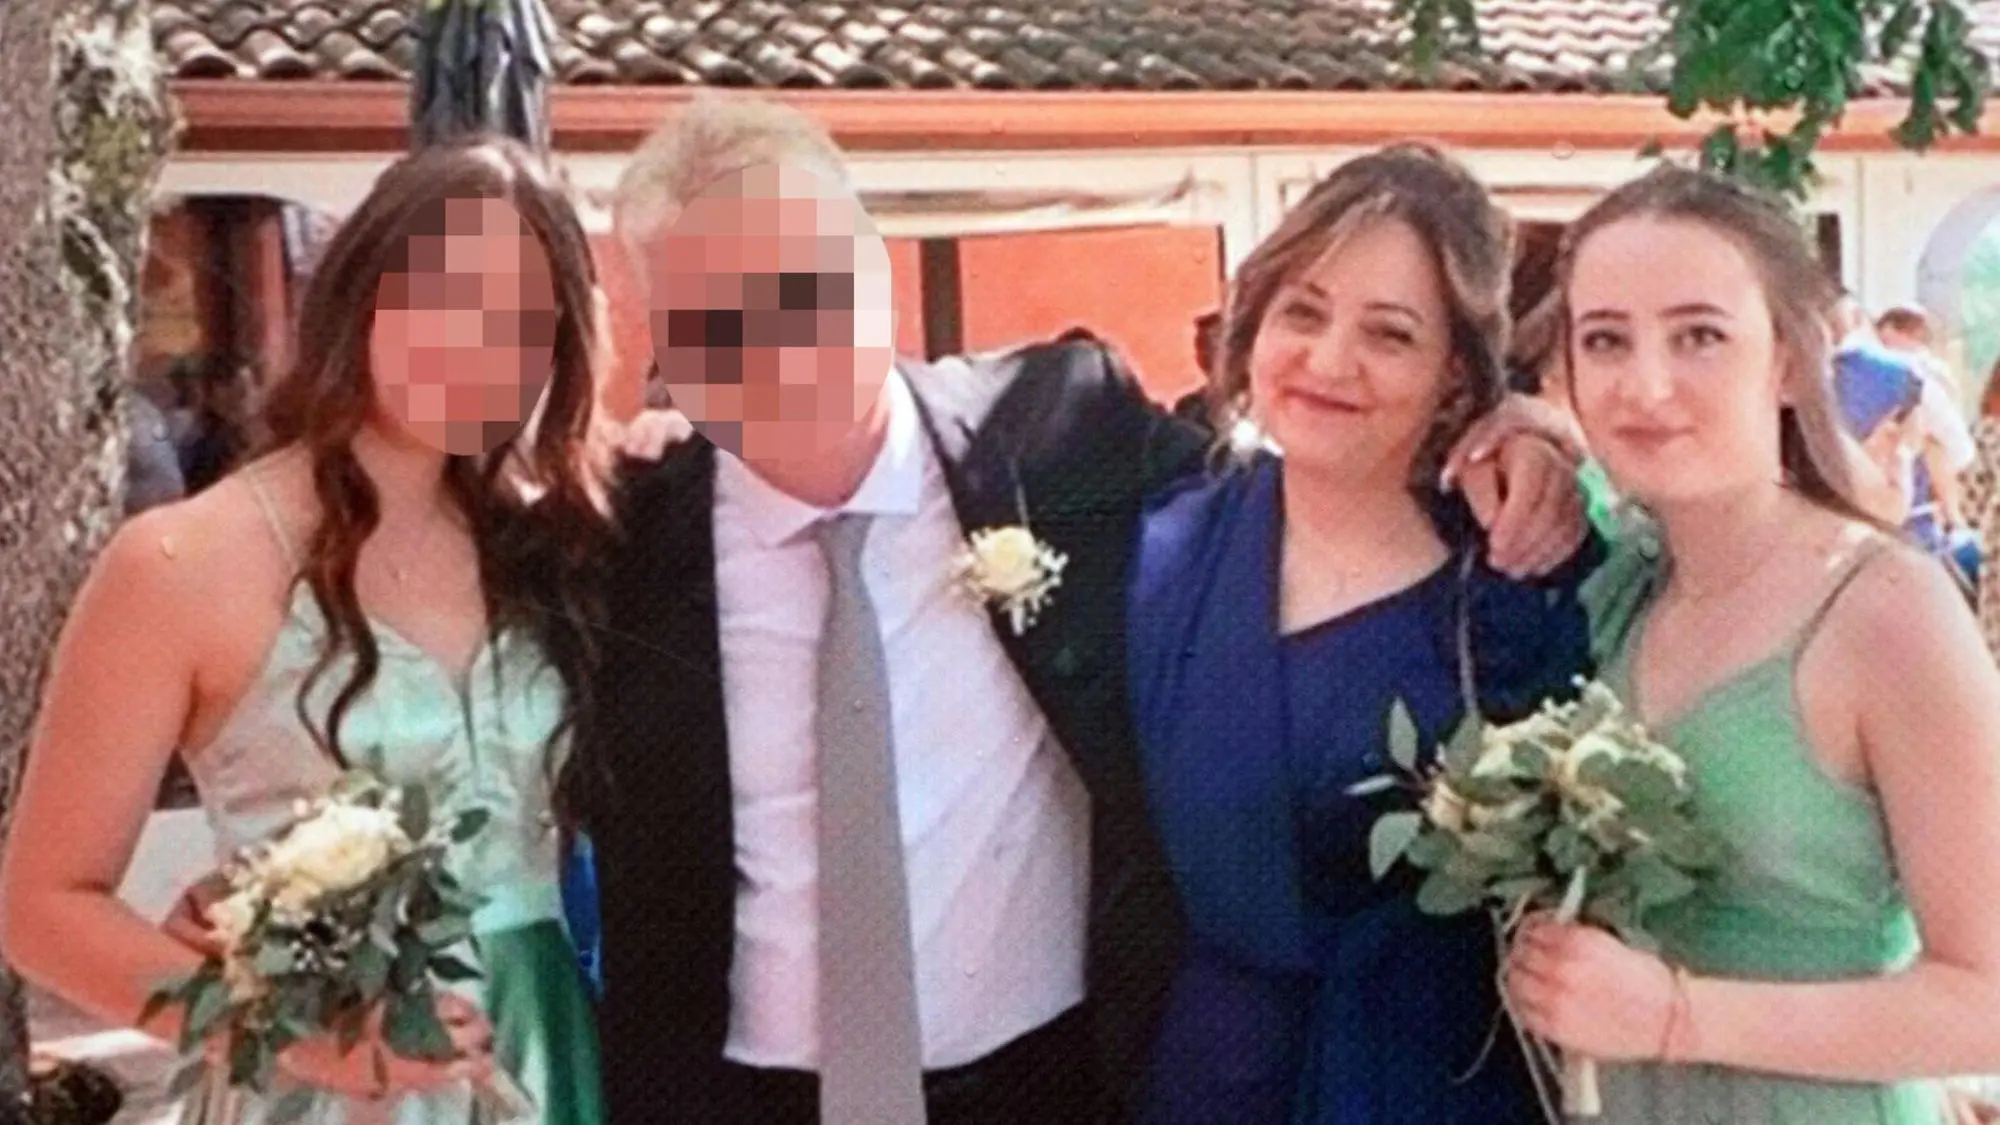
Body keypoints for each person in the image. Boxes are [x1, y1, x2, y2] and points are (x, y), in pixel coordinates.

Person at [567, 93, 1586, 1125]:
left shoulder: (1060, 430)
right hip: (731, 1101)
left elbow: (1323, 481)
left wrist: (1520, 432)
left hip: (1046, 1088)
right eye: (711, 313)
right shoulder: (618, 542)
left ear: (872, 266)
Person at [0, 136, 613, 1125]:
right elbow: (41, 909)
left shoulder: (559, 548)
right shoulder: (180, 563)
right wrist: (295, 1033)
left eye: (522, 322)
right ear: (361, 294)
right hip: (311, 1093)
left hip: (542, 1057)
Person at [1505, 165, 2000, 1123]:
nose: (1646, 385)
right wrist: (1519, 431)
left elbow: (1989, 1003)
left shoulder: (1884, 610)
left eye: (1699, 335)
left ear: (1788, 360)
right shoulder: (1620, 584)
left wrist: (1676, 1016)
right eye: (1605, 339)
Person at [1126, 144, 1594, 1125]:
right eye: (1302, 313)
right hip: (1207, 1082)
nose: (1329, 361)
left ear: (1455, 375)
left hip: (1434, 1087)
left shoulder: (1511, 594)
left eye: (1389, 334)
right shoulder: (1160, 549)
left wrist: (1548, 442)